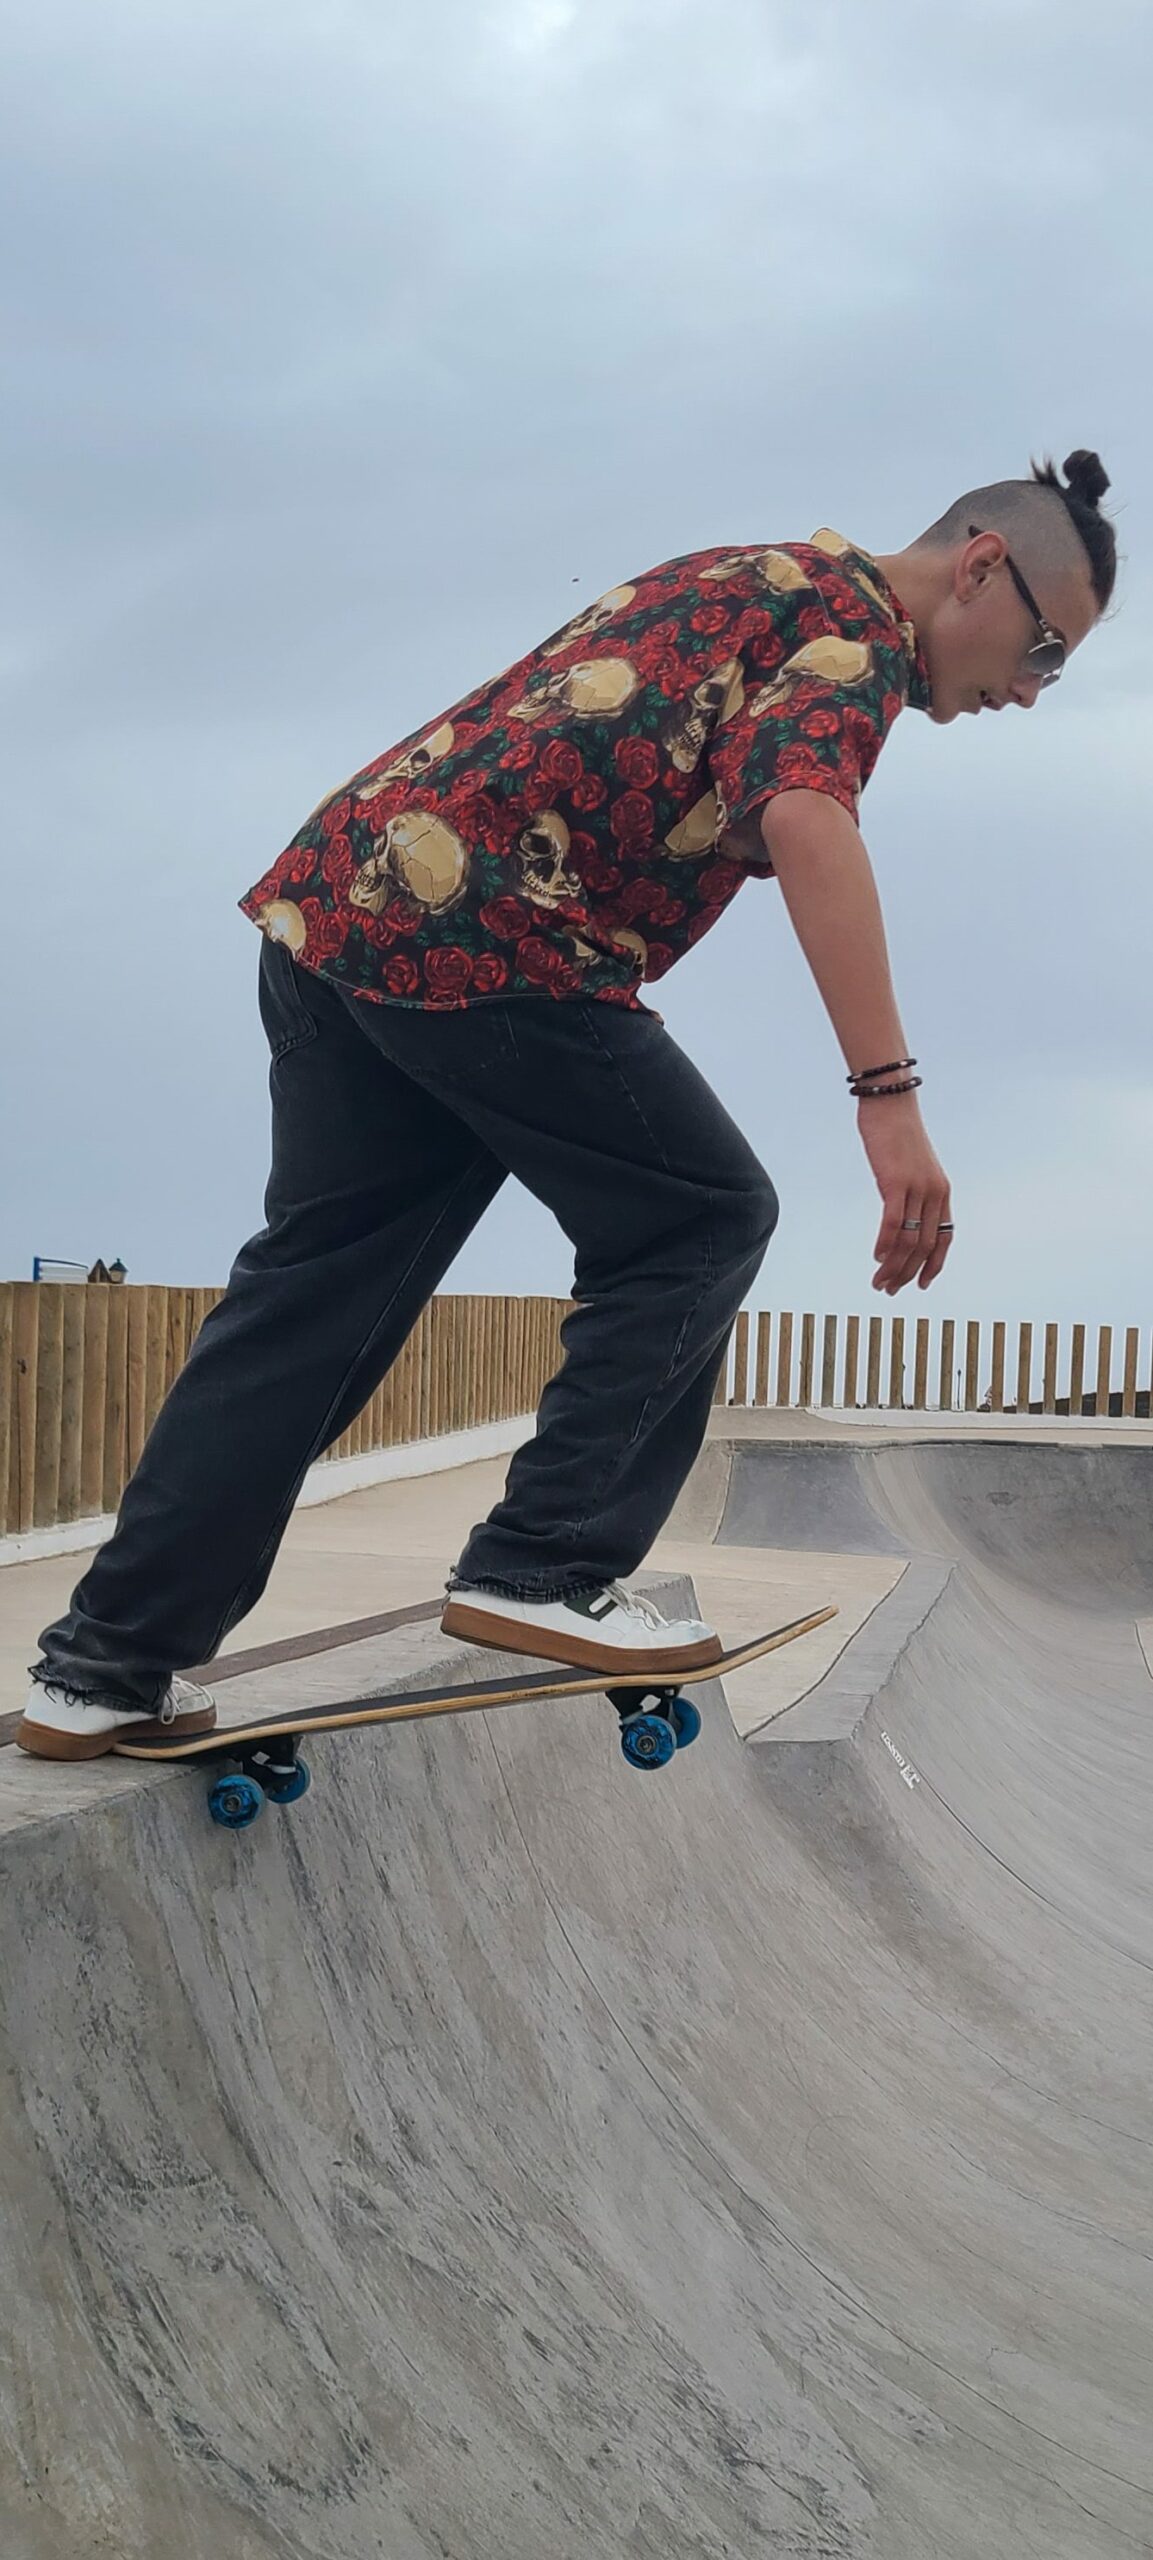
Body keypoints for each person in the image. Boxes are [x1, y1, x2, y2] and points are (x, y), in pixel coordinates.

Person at [19, 452, 1117, 1761]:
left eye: (1059, 673)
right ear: (979, 563)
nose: (1028, 692)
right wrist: (887, 1101)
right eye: (1041, 648)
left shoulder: (751, 577)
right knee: (701, 1216)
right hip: (490, 936)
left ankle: (100, 1670)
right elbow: (811, 818)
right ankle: (540, 1563)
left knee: (312, 1300)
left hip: (344, 899)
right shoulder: (850, 637)